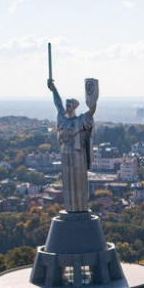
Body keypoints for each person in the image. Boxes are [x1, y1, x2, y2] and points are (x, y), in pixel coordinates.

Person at [48, 78, 98, 212]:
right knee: (67, 180)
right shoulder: (62, 119)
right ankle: (70, 207)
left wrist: (92, 95)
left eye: (69, 105)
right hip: (65, 152)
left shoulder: (80, 120)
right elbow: (57, 104)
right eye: (67, 105)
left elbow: (91, 111)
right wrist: (53, 89)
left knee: (78, 179)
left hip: (77, 152)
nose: (67, 107)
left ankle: (80, 207)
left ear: (74, 106)